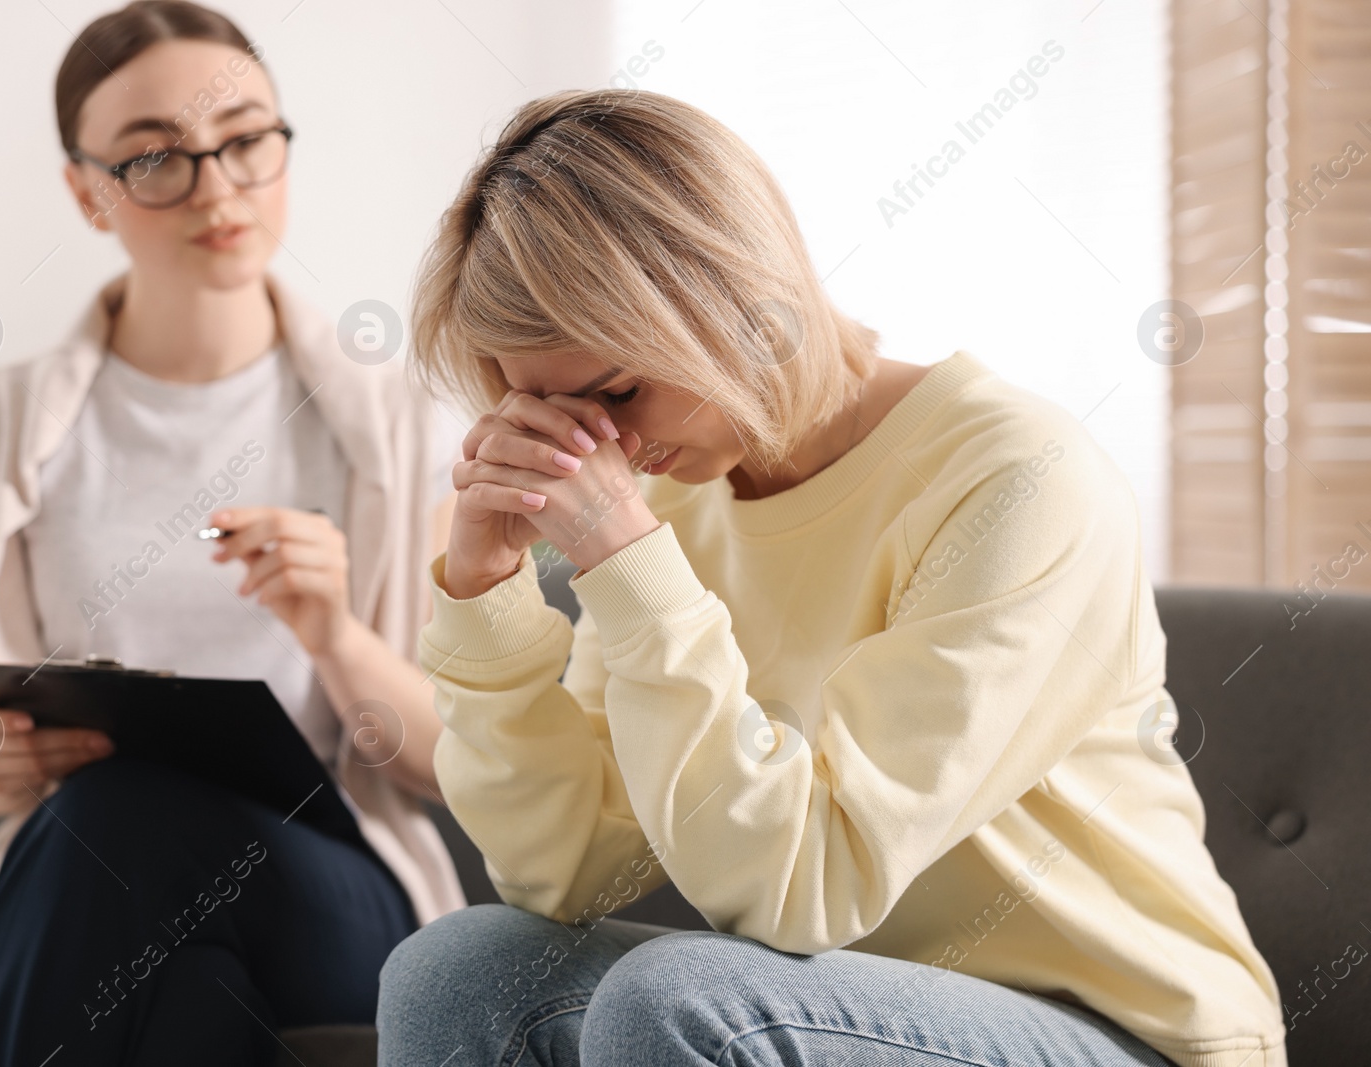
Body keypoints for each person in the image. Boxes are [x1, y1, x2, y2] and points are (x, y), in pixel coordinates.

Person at [376, 89, 1287, 1067]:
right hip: (836, 1012)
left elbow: (808, 884)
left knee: (684, 998)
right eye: (541, 406)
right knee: (458, 965)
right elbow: (564, 867)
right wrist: (486, 586)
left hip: (1123, 1029)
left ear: (726, 297)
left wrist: (630, 566)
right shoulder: (675, 501)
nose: (608, 448)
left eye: (613, 393)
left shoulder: (1015, 478)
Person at [0, 3, 466, 1063]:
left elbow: (458, 760)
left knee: (117, 813)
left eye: (246, 139)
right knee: (189, 999)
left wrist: (334, 631)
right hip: (89, 863)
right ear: (85, 191)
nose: (216, 186)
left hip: (331, 884)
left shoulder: (394, 424)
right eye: (154, 156)